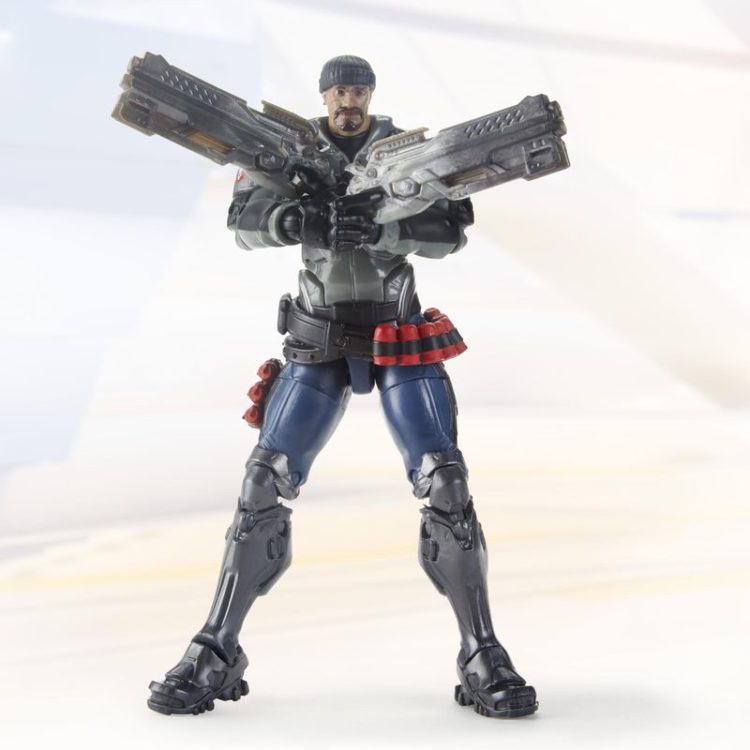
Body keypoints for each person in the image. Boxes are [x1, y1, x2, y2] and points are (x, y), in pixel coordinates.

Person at [147, 55, 537, 719]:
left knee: (444, 479)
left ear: (369, 94)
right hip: (318, 339)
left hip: (395, 333)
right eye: (338, 91)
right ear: (325, 96)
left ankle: (481, 651)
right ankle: (217, 646)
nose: (347, 100)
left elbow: (450, 232)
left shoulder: (411, 154)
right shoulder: (286, 151)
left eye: (356, 90)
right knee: (264, 480)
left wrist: (387, 225)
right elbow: (244, 222)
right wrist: (299, 223)